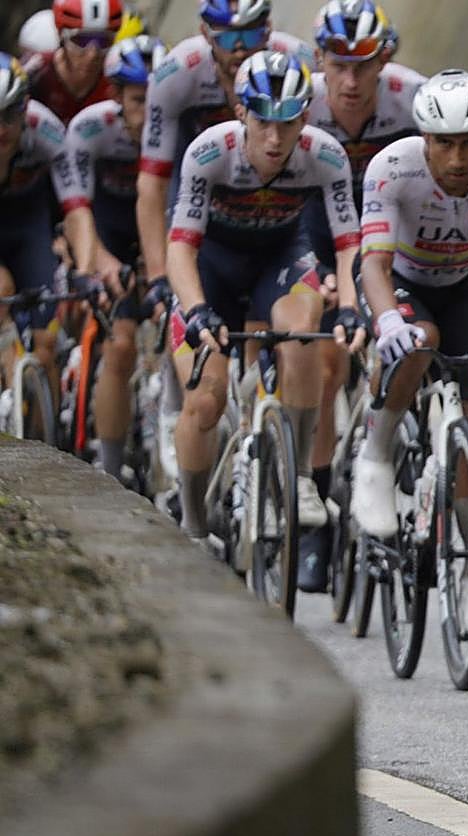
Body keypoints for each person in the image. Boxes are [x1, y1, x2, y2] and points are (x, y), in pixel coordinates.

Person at [165, 50, 365, 546]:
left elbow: (348, 245)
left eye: (289, 123)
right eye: (263, 122)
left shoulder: (325, 155)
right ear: (241, 114)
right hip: (211, 267)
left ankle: (298, 479)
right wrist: (194, 308)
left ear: (305, 117)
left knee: (303, 332)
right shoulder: (208, 153)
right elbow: (180, 248)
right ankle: (192, 522)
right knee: (206, 401)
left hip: (280, 258)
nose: (275, 139)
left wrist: (351, 304)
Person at [136, 0, 314, 491]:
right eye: (227, 37)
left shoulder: (298, 63)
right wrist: (157, 275)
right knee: (207, 386)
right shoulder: (176, 74)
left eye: (251, 35)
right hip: (199, 205)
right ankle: (182, 408)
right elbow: (152, 184)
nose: (239, 49)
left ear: (270, 30)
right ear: (204, 33)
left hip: (274, 220)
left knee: (296, 338)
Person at [352, 69, 468, 632]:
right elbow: (372, 263)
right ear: (425, 139)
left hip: (465, 288)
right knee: (421, 340)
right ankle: (378, 452)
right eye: (445, 143)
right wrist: (388, 318)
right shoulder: (394, 168)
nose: (459, 158)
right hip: (405, 283)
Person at [296, 0, 425, 591]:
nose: (350, 80)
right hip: (317, 230)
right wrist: (313, 275)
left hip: (396, 232)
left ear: (386, 60)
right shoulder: (299, 102)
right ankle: (320, 506)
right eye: (338, 65)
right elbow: (281, 201)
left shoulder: (414, 101)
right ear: (318, 59)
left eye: (364, 65)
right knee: (324, 359)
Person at [61, 35, 167, 481]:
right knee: (120, 344)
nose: (149, 113)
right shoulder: (89, 128)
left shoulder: (179, 131)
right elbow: (76, 208)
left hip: (160, 240)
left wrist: (158, 264)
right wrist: (100, 262)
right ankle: (108, 468)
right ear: (117, 96)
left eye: (157, 99)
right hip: (107, 237)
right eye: (139, 100)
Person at [0, 54, 85, 392]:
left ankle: (42, 440)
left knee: (46, 347)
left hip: (27, 229)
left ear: (25, 110)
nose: (1, 129)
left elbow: (78, 207)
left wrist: (86, 269)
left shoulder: (45, 127)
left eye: (9, 115)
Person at [23, 0, 124, 125]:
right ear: (61, 36)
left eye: (103, 41)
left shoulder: (118, 79)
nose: (92, 54)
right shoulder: (36, 72)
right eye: (81, 40)